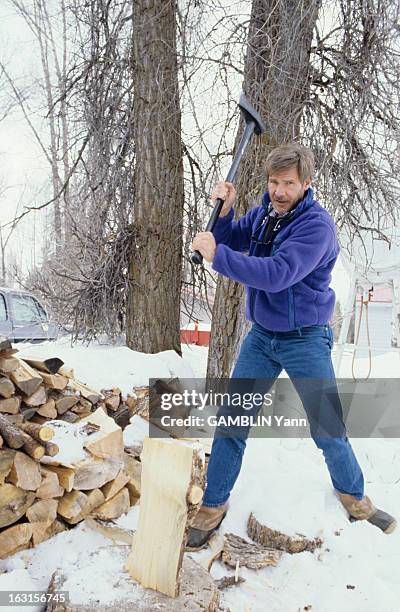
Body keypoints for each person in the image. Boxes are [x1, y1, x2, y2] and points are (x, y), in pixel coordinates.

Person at [188, 142, 396, 550]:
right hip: (262, 337)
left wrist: (218, 257)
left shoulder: (316, 227)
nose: (278, 191)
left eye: (287, 183)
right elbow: (234, 237)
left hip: (305, 338)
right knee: (232, 421)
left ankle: (355, 498)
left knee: (327, 427)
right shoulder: (267, 211)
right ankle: (213, 504)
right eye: (273, 182)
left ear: (306, 184)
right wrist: (226, 213)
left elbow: (278, 274)